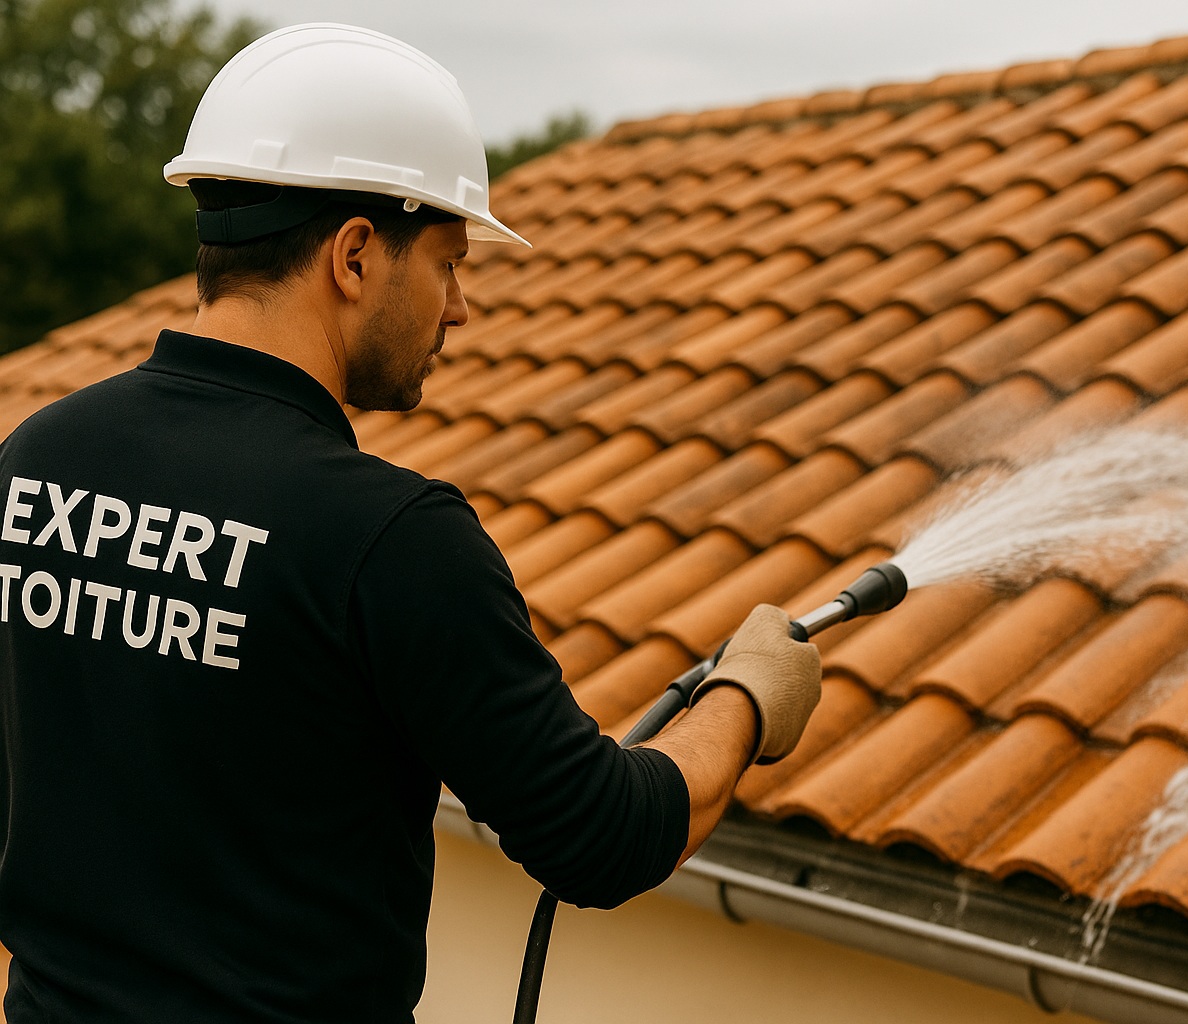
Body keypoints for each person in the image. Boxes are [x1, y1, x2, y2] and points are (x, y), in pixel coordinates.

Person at [0, 23, 821, 1024]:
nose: (461, 306)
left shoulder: (36, 459)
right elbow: (602, 837)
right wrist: (745, 696)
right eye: (446, 263)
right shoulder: (390, 537)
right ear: (353, 255)